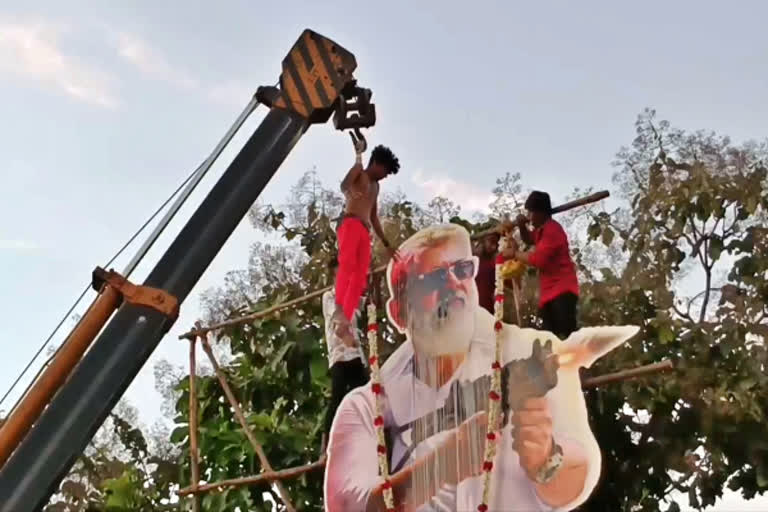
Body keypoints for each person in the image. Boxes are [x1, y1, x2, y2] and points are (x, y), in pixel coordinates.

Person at [324, 223, 640, 511]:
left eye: (462, 269)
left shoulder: (529, 352)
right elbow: (347, 506)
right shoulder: (366, 408)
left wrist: (546, 459)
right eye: (433, 278)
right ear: (400, 313)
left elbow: (578, 475)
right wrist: (440, 467)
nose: (453, 284)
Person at [333, 142, 400, 342]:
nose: (385, 176)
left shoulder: (376, 187)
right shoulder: (360, 173)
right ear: (376, 164)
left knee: (360, 276)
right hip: (350, 222)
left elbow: (374, 216)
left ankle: (344, 321)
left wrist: (387, 243)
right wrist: (349, 191)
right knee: (348, 265)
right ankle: (338, 310)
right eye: (385, 171)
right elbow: (344, 185)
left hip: (364, 229)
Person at [504, 191, 580, 340]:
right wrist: (521, 226)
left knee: (566, 336)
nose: (529, 217)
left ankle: (578, 363)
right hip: (548, 293)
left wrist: (514, 253)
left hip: (562, 290)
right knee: (548, 339)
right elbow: (529, 240)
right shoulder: (542, 231)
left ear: (541, 213)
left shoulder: (552, 231)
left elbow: (537, 260)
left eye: (531, 212)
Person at [322, 256, 369, 442]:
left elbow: (369, 303)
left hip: (356, 356)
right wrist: (351, 341)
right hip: (341, 356)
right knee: (337, 398)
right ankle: (326, 445)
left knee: (365, 396)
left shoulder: (354, 295)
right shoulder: (330, 296)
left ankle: (365, 437)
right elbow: (338, 325)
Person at [472, 231, 500, 315]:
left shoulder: (494, 265)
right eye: (491, 241)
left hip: (486, 311)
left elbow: (504, 285)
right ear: (482, 240)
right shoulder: (470, 259)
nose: (493, 247)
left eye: (496, 244)